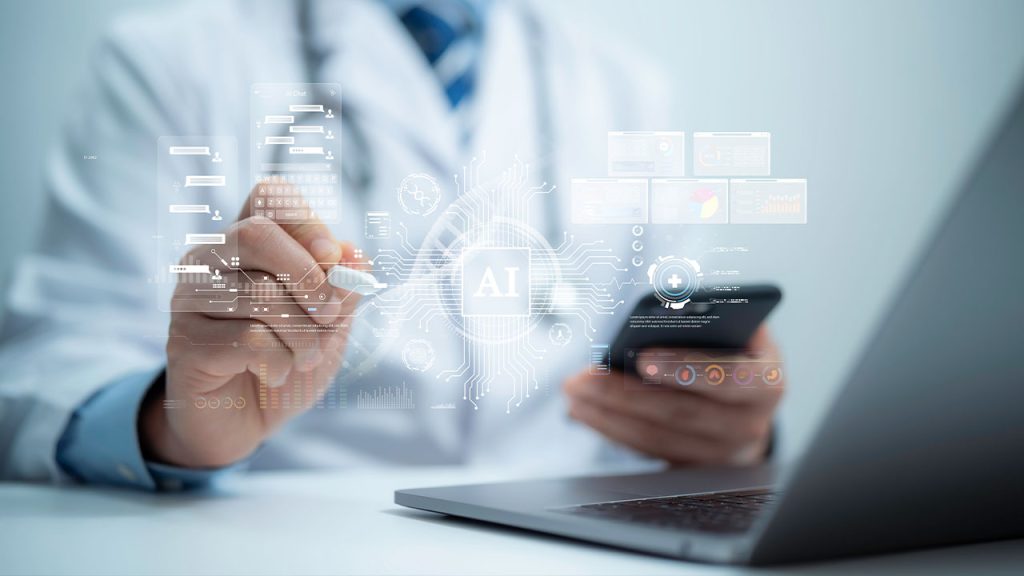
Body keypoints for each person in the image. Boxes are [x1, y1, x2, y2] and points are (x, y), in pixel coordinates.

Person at [0, 0, 782, 488]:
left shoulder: (624, 84)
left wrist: (730, 427)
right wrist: (176, 423)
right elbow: (49, 365)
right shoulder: (172, 59)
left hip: (572, 538)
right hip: (287, 539)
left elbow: (681, 353)